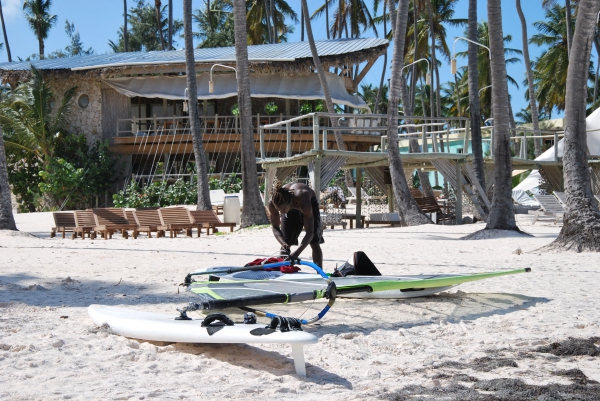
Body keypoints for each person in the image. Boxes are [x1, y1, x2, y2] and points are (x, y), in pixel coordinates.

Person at [267, 181, 324, 267]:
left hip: (309, 201)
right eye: (279, 210)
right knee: (286, 244)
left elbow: (310, 232)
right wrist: (283, 243)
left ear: (290, 203)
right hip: (289, 205)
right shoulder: (272, 203)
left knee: (314, 242)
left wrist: (296, 254)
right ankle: (283, 270)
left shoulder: (303, 201)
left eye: (283, 210)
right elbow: (275, 227)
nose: (281, 212)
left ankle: (320, 273)